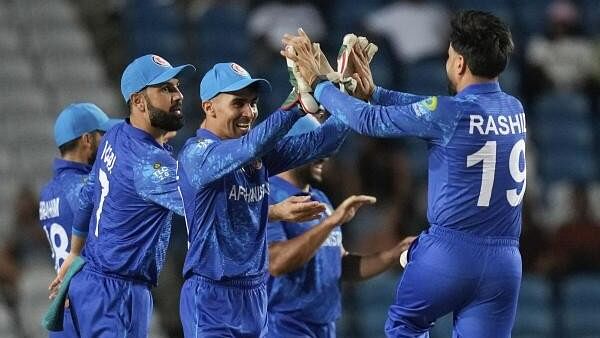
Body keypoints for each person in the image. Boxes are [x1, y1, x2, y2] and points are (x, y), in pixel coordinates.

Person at [283, 10, 525, 337]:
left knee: (405, 325)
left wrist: (318, 85)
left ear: (459, 64)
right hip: (504, 264)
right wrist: (374, 93)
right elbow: (429, 108)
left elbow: (369, 121)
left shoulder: (448, 113)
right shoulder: (514, 109)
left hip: (450, 254)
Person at [177, 62, 350, 337]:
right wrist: (296, 105)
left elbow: (323, 143)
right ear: (208, 107)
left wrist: (345, 98)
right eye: (238, 104)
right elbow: (251, 147)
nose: (249, 113)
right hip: (213, 298)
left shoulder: (255, 156)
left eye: (253, 103)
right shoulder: (196, 155)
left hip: (255, 298)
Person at [49, 54, 195, 338]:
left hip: (101, 282)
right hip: (115, 293)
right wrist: (271, 211)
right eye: (166, 89)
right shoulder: (146, 161)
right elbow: (203, 206)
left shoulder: (115, 134)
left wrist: (74, 252)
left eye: (177, 87)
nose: (178, 95)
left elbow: (89, 196)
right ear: (139, 102)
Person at [266, 115, 416, 337]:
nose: (326, 155)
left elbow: (340, 264)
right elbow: (276, 262)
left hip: (323, 327)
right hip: (283, 327)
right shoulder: (268, 197)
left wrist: (393, 255)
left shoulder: (320, 198)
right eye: (317, 146)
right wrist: (331, 223)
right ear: (292, 147)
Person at [40, 103, 118, 337]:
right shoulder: (85, 189)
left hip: (64, 309)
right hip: (93, 306)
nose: (108, 143)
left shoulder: (48, 191)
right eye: (103, 136)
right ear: (87, 139)